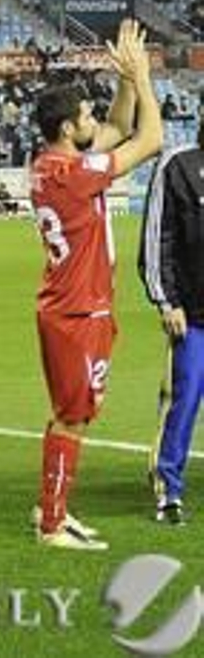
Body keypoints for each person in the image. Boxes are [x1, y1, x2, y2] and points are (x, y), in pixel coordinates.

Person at [32, 20, 162, 548]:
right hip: (79, 311)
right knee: (74, 417)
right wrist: (145, 76)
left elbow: (116, 124)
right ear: (67, 128)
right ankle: (52, 524)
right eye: (83, 114)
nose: (93, 118)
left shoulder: (52, 163)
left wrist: (125, 80)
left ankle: (52, 508)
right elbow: (149, 138)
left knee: (67, 413)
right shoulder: (76, 173)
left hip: (65, 305)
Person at [140, 103, 204, 526]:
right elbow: (156, 238)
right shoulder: (178, 166)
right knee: (183, 401)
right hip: (194, 314)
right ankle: (169, 490)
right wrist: (166, 301)